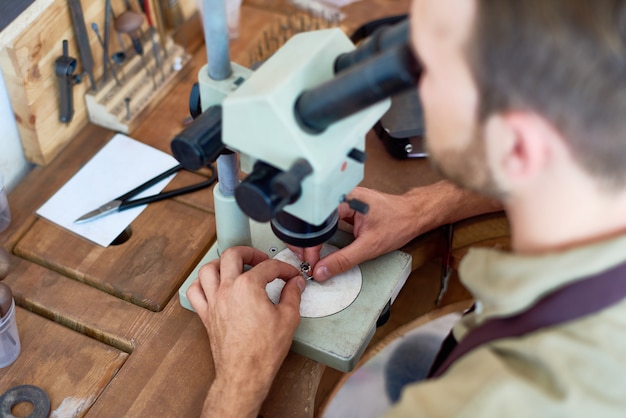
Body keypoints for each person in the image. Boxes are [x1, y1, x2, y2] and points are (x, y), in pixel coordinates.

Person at [186, 0, 626, 416]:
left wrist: (239, 379)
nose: (412, 92)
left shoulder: (497, 399)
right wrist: (423, 206)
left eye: (430, 70)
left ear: (515, 145)